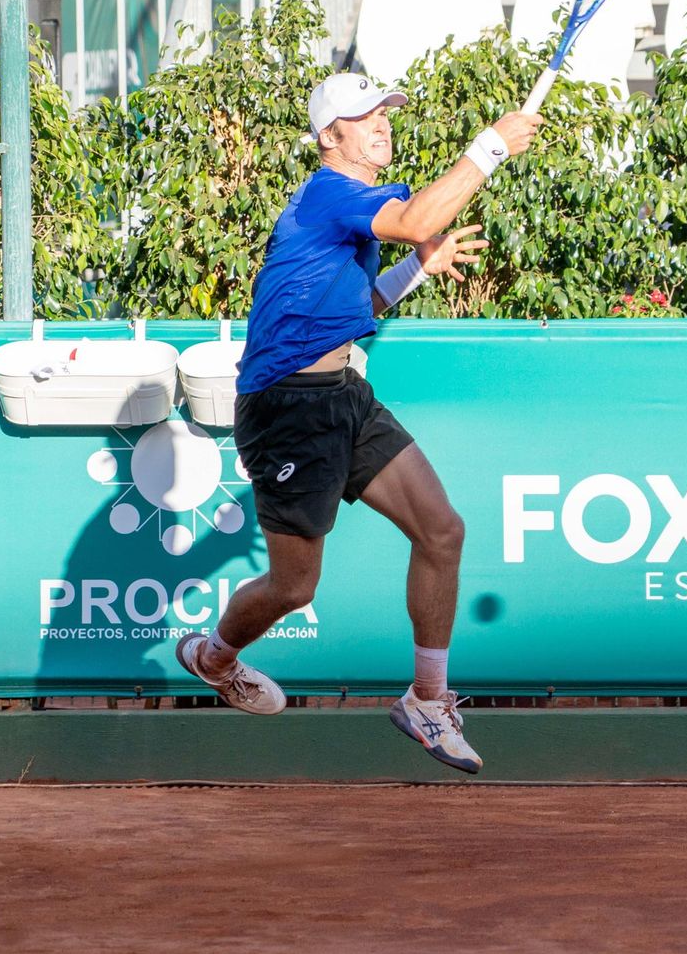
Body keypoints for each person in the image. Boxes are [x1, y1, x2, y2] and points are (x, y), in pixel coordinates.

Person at [174, 73, 541, 773]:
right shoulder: (328, 192)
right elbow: (416, 219)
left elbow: (355, 303)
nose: (380, 124)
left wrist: (416, 270)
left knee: (442, 529)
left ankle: (427, 701)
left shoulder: (357, 208)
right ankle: (214, 657)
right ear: (328, 137)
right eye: (361, 116)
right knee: (294, 588)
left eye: (383, 112)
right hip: (285, 408)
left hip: (343, 393)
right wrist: (491, 144)